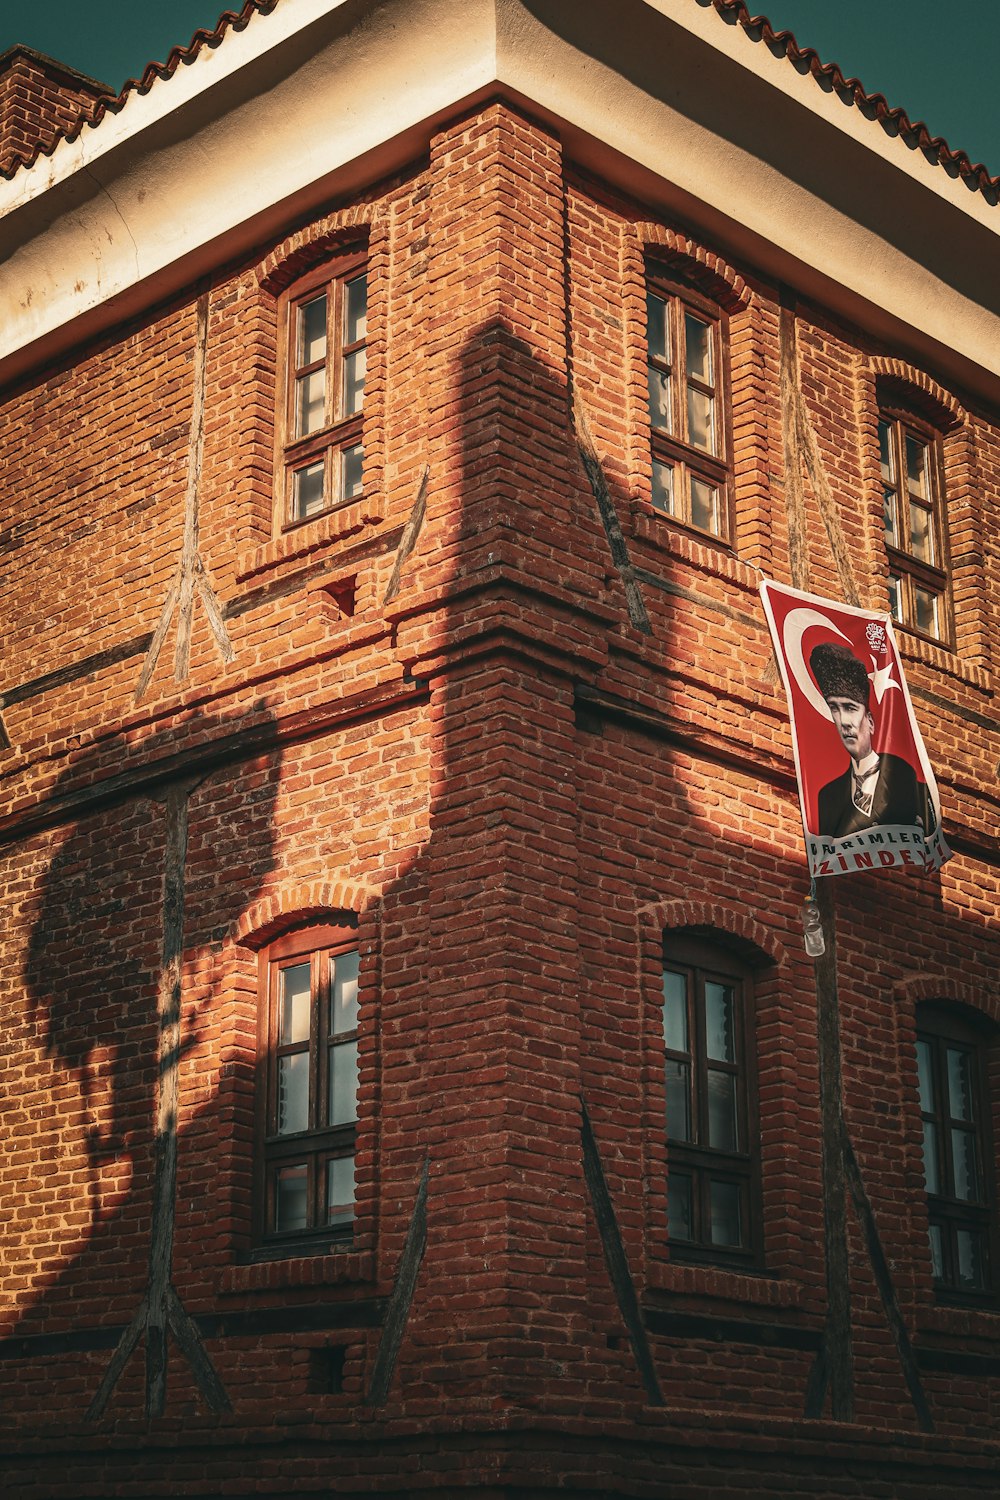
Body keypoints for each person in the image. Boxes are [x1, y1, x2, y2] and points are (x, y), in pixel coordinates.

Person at [809, 642, 922, 837]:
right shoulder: (827, 797)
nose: (844, 721)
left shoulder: (905, 778)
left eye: (850, 708)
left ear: (870, 721)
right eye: (834, 708)